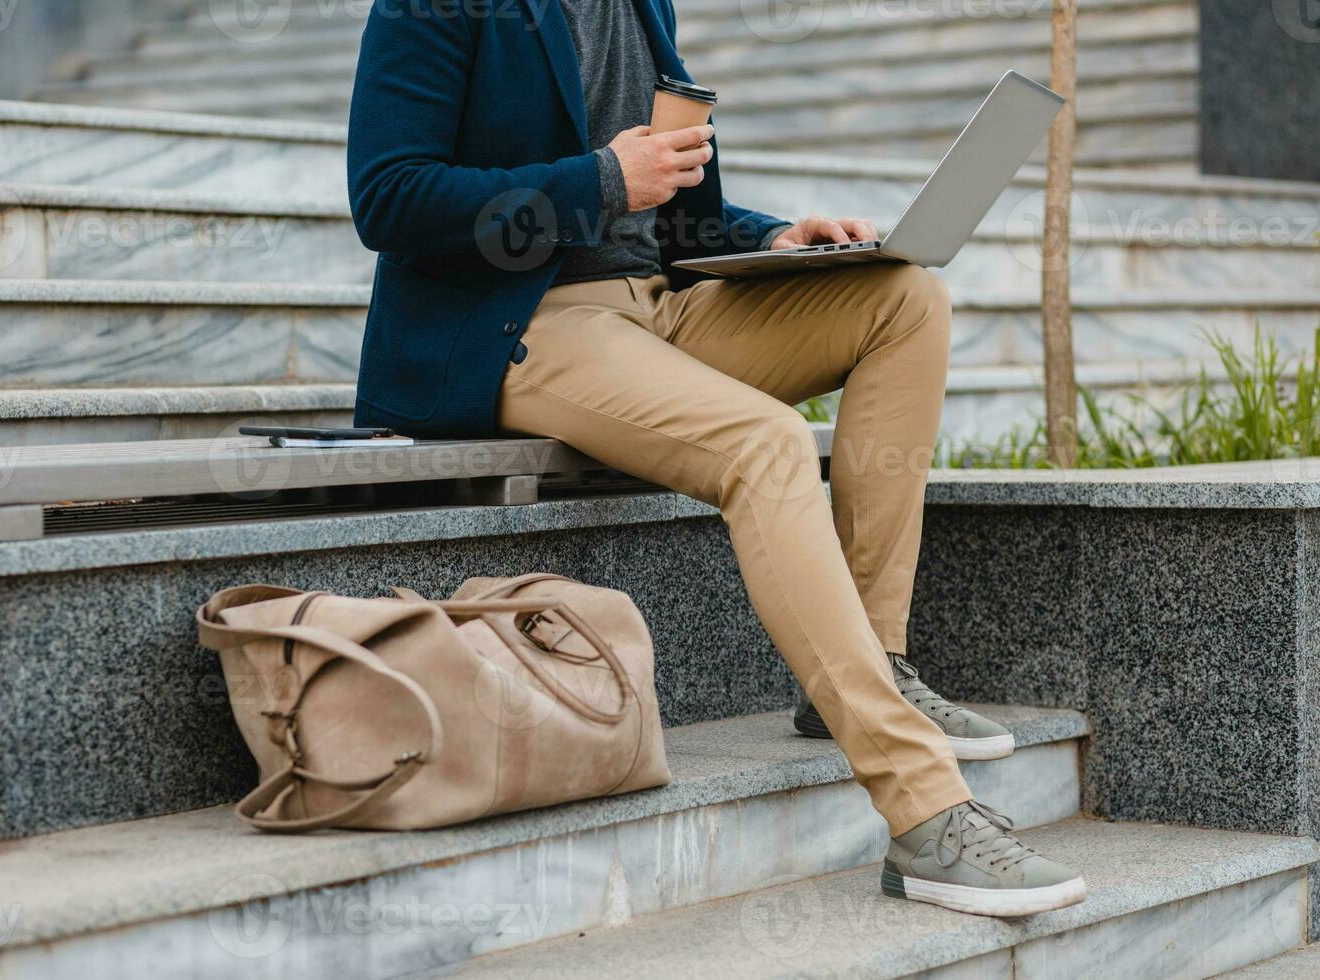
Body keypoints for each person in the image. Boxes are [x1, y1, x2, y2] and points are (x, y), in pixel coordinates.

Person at [346, 0, 1086, 917]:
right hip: (527, 322)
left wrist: (768, 238)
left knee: (905, 296)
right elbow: (388, 197)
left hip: (660, 303)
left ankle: (870, 664)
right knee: (766, 442)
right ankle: (925, 811)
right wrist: (600, 179)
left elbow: (673, 213)